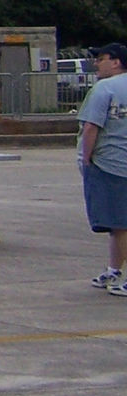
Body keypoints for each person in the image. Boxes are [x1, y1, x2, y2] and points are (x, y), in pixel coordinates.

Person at [76, 42, 127, 295]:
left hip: (111, 165)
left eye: (101, 58)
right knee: (119, 226)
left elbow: (91, 127)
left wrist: (86, 159)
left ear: (116, 61)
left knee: (121, 223)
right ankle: (114, 270)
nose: (97, 63)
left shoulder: (103, 88)